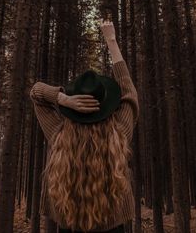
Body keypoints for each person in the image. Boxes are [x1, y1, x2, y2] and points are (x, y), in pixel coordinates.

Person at [30, 19, 139, 233]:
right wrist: (111, 41)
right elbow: (129, 92)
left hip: (69, 223)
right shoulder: (120, 133)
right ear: (106, 106)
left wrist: (62, 99)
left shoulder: (59, 134)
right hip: (113, 225)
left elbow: (36, 93)